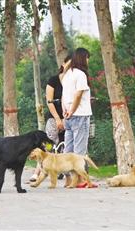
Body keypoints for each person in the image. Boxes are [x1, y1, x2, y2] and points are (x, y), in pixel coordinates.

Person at [29, 55, 71, 182]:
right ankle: (37, 172)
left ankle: (63, 172)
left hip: (69, 118)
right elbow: (49, 101)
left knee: (66, 146)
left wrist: (66, 118)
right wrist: (58, 119)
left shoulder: (73, 81)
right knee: (48, 145)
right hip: (54, 118)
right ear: (63, 64)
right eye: (68, 64)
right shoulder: (53, 80)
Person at [61, 47, 96, 188]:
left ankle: (68, 180)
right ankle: (81, 180)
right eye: (87, 58)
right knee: (80, 150)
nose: (88, 61)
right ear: (82, 58)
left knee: (67, 150)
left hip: (68, 115)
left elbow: (64, 96)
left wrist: (66, 111)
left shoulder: (67, 74)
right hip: (80, 115)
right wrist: (73, 110)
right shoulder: (81, 74)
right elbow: (78, 95)